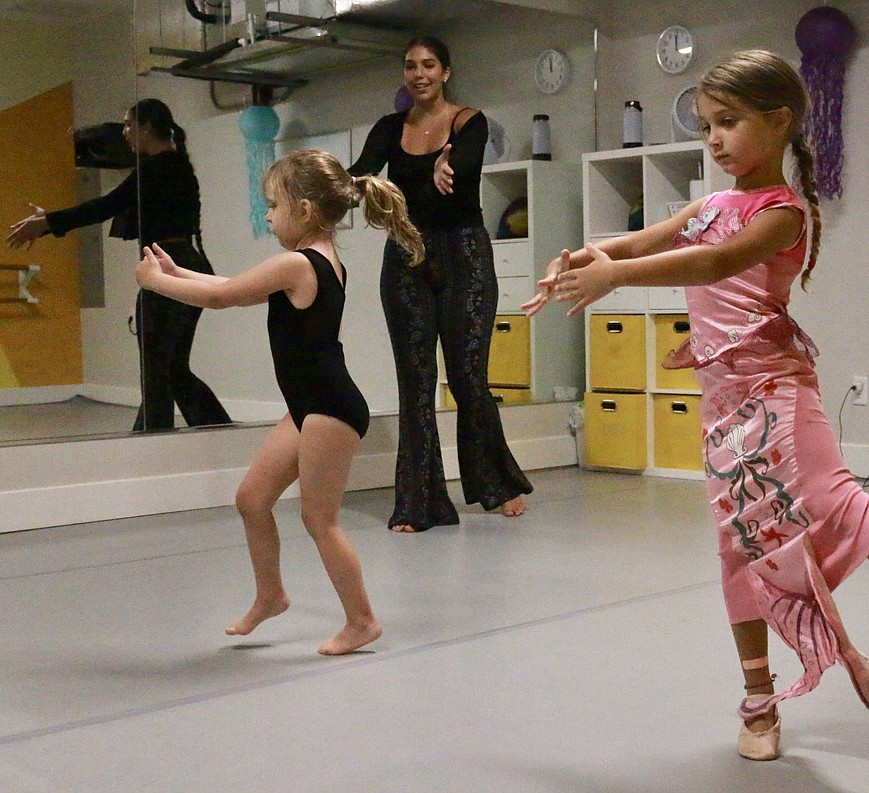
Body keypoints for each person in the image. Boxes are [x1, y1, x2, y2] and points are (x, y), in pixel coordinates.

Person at [524, 50, 869, 760]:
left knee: (836, 499)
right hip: (725, 406)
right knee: (738, 544)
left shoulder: (781, 213)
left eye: (729, 122)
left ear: (779, 122)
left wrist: (618, 275)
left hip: (777, 392)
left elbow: (713, 262)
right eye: (707, 124)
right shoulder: (711, 205)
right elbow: (634, 242)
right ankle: (758, 702)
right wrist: (583, 260)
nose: (714, 138)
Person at [135, 148, 424, 655]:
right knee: (252, 499)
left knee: (320, 520)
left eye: (273, 205)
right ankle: (271, 596)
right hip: (309, 405)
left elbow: (223, 298)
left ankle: (361, 621)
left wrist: (155, 283)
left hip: (329, 407)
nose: (268, 216)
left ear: (305, 210)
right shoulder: (313, 261)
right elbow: (231, 287)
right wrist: (177, 272)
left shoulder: (298, 263)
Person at [347, 35, 533, 533]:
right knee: (415, 382)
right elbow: (359, 175)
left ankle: (497, 485)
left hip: (464, 256)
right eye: (411, 66)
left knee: (468, 377)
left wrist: (445, 167)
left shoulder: (469, 122)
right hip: (406, 255)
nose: (419, 74)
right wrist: (320, 183)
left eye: (429, 65)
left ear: (445, 72)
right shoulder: (389, 128)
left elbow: (464, 166)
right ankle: (420, 503)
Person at [7, 98, 231, 432]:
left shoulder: (157, 167)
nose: (124, 132)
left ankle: (153, 437)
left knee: (157, 370)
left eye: (128, 124)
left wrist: (49, 222)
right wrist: (50, 221)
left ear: (147, 128)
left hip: (168, 270)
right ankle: (216, 429)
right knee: (171, 369)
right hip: (184, 266)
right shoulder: (175, 165)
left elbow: (106, 205)